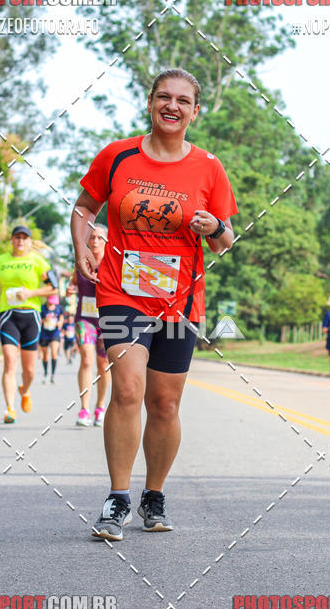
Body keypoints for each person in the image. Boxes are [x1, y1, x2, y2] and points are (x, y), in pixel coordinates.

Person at [71, 67, 238, 541]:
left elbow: (227, 240)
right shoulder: (118, 155)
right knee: (127, 388)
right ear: (150, 103)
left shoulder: (208, 167)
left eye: (183, 100)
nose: (172, 106)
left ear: (195, 111)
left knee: (164, 403)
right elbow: (85, 207)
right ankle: (117, 498)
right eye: (164, 97)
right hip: (122, 292)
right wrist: (83, 246)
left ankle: (154, 494)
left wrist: (214, 229)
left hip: (180, 299)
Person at [0, 226, 56, 423]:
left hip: (31, 316)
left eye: (24, 238)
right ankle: (10, 409)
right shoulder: (1, 261)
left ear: (29, 242)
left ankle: (25, 390)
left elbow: (53, 288)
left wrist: (31, 293)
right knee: (10, 362)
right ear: (11, 240)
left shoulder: (38, 261)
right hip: (8, 314)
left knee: (29, 370)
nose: (20, 241)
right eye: (17, 237)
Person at [72, 225, 110, 427]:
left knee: (103, 364)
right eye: (92, 237)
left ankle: (100, 406)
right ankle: (84, 409)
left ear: (106, 241)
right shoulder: (81, 262)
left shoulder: (113, 263)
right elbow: (74, 281)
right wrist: (71, 288)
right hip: (84, 318)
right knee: (87, 359)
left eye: (99, 238)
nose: (95, 241)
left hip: (108, 319)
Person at [39, 293, 64, 384]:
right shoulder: (42, 308)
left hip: (55, 333)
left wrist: (60, 323)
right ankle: (46, 373)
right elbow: (39, 319)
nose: (51, 304)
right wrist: (44, 320)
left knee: (54, 352)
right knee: (45, 355)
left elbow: (61, 317)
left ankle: (53, 374)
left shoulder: (58, 308)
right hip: (44, 333)